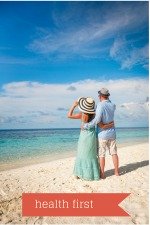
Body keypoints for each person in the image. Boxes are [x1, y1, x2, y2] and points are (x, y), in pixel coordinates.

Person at [67, 97, 113, 181]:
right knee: (90, 154)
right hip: (91, 137)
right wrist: (110, 125)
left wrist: (73, 105)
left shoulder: (81, 115)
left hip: (83, 137)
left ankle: (78, 173)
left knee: (81, 153)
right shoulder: (95, 116)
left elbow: (69, 115)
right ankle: (91, 174)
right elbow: (102, 126)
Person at [83, 88, 119, 179]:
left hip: (103, 134)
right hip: (112, 133)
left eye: (99, 95)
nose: (98, 97)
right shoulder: (113, 105)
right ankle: (116, 172)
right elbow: (110, 118)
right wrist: (107, 124)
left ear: (100, 96)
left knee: (102, 154)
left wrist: (86, 125)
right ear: (107, 96)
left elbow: (98, 119)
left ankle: (102, 174)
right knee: (114, 153)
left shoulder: (100, 105)